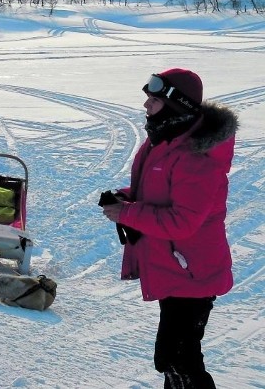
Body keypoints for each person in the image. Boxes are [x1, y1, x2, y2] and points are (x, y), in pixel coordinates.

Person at [100, 68, 238, 388]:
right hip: (174, 269)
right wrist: (125, 197)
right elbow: (157, 189)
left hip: (193, 273)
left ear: (177, 105)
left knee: (180, 359)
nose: (146, 106)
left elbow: (183, 221)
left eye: (154, 100)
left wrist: (127, 213)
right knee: (173, 359)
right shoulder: (164, 140)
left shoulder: (196, 157)